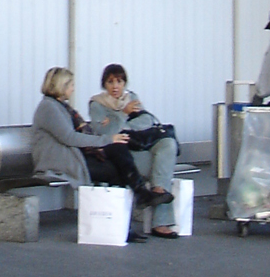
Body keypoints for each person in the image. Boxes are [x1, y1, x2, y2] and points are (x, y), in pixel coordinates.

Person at [30, 67, 173, 212]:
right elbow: (69, 137)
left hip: (72, 156)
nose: (73, 89)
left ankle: (137, 203)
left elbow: (144, 120)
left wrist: (109, 137)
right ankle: (127, 216)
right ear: (62, 86)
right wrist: (107, 139)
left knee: (117, 148)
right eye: (71, 85)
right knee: (115, 170)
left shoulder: (59, 106)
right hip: (60, 161)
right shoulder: (49, 108)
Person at [88, 63, 182, 240]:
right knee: (159, 166)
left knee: (168, 144)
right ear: (104, 84)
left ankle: (158, 192)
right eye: (110, 82)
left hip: (138, 145)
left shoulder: (132, 97)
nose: (115, 86)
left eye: (119, 81)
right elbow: (104, 133)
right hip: (120, 153)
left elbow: (146, 120)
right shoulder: (97, 104)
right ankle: (159, 217)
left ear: (125, 83)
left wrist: (120, 124)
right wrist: (124, 113)